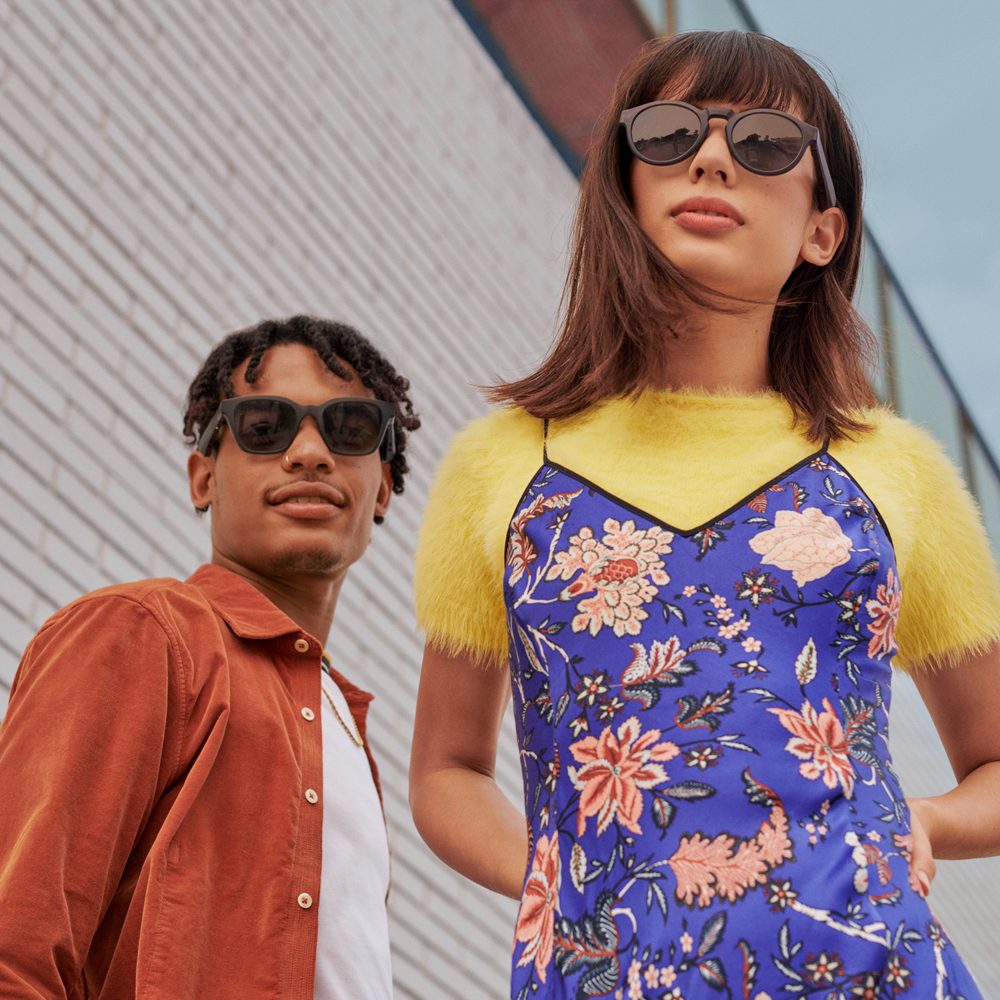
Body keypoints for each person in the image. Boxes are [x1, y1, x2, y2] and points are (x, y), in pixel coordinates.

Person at [409, 30, 1000, 999]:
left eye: (764, 142)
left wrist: (926, 820)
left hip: (874, 969)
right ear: (625, 186)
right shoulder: (505, 463)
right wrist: (564, 890)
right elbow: (445, 770)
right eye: (669, 132)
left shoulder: (897, 473)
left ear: (823, 232)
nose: (712, 157)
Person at [0, 315, 419, 998]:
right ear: (203, 478)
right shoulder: (144, 634)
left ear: (382, 489)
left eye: (349, 429)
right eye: (264, 427)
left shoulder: (343, 727)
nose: (309, 453)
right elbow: (14, 947)